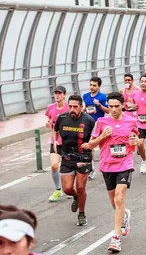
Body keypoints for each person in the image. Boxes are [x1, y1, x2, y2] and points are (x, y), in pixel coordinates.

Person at [86, 92, 139, 253]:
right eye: (111, 106)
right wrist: (102, 136)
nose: (114, 109)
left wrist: (135, 141)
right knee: (114, 202)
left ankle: (115, 238)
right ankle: (124, 217)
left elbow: (137, 140)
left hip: (125, 163)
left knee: (119, 197)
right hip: (107, 165)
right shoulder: (101, 122)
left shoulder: (131, 121)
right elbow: (90, 145)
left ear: (122, 105)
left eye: (117, 106)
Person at [54, 94, 95, 226]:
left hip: (83, 158)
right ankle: (76, 197)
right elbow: (55, 130)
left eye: (75, 107)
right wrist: (55, 141)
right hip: (67, 157)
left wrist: (91, 145)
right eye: (70, 106)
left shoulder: (89, 120)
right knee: (66, 189)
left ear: (81, 107)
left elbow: (95, 137)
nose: (72, 109)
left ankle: (82, 214)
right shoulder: (62, 118)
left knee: (81, 186)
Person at [83, 76, 108, 180]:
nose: (92, 87)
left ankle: (106, 165)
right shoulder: (85, 96)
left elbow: (107, 111)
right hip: (89, 124)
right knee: (90, 146)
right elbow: (85, 108)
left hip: (99, 124)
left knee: (103, 146)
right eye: (91, 85)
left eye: (94, 85)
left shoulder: (102, 97)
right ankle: (91, 168)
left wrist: (99, 105)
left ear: (99, 86)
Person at [45, 86, 68, 202]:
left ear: (64, 95)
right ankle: (58, 189)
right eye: (56, 93)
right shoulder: (50, 108)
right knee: (54, 165)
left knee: (68, 167)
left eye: (60, 93)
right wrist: (49, 123)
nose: (57, 95)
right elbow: (50, 119)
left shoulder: (70, 108)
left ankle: (69, 188)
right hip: (55, 141)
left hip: (68, 142)